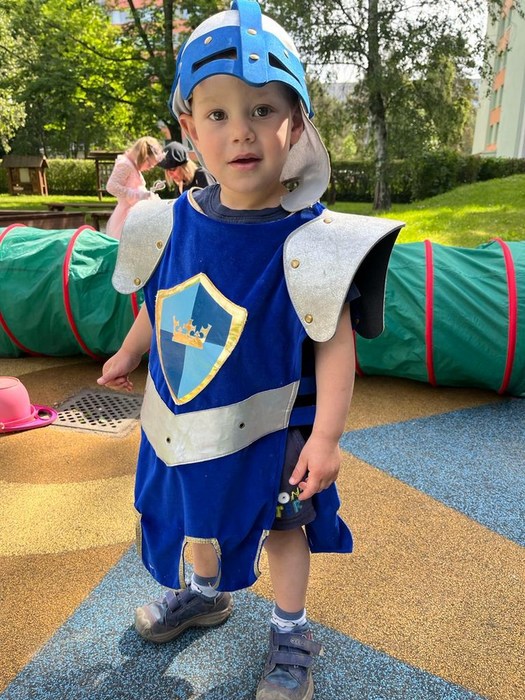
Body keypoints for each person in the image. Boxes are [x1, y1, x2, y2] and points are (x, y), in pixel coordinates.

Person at [98, 2, 402, 698]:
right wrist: (128, 351)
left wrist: (326, 438)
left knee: (284, 530)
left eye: (263, 110)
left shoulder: (314, 240)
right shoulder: (167, 222)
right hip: (185, 418)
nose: (241, 131)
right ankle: (206, 594)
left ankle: (290, 632)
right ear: (189, 128)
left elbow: (334, 346)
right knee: (196, 513)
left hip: (276, 426)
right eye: (218, 114)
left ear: (296, 121)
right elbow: (165, 302)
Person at [104, 136, 164, 239]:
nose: (150, 168)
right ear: (143, 156)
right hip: (126, 217)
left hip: (135, 214)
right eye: (150, 164)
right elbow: (111, 186)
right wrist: (137, 195)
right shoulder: (125, 165)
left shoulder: (133, 166)